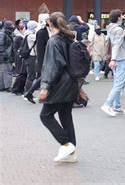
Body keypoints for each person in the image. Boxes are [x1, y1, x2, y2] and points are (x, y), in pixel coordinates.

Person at [38, 12, 79, 163]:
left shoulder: (53, 41)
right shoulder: (69, 39)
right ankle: (71, 152)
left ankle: (65, 144)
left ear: (49, 22)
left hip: (59, 85)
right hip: (71, 83)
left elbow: (52, 66)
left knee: (45, 115)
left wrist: (45, 87)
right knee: (66, 117)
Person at [101, 9, 125, 117]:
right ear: (118, 17)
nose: (122, 18)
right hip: (120, 58)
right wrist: (114, 59)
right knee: (119, 83)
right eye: (121, 16)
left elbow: (112, 42)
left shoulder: (110, 28)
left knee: (117, 82)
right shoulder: (118, 29)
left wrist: (124, 32)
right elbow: (117, 44)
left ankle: (116, 106)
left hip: (116, 58)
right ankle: (108, 104)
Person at [21, 7, 51, 103]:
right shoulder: (41, 32)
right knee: (42, 77)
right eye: (48, 19)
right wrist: (42, 63)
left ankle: (30, 92)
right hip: (43, 59)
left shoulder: (44, 31)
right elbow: (40, 49)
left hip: (45, 58)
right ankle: (30, 92)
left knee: (43, 77)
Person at [23, 20, 38, 98]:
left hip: (28, 57)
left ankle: (26, 91)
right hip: (31, 56)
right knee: (31, 76)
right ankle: (27, 92)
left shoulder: (26, 33)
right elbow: (38, 40)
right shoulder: (32, 36)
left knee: (30, 75)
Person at [0, 21, 14, 92]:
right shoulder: (3, 34)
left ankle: (2, 86)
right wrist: (5, 54)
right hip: (5, 56)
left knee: (3, 71)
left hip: (5, 56)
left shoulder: (6, 34)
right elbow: (1, 46)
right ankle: (7, 86)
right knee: (7, 71)